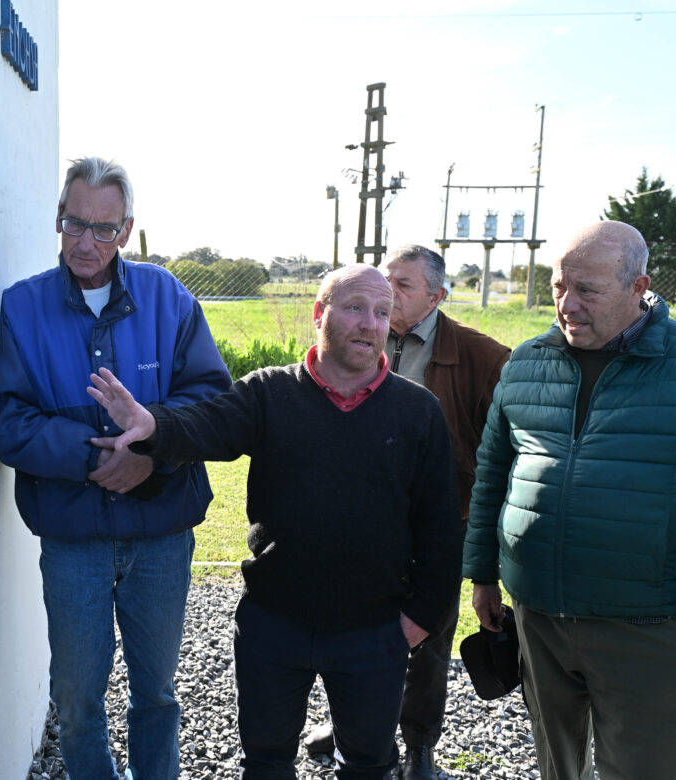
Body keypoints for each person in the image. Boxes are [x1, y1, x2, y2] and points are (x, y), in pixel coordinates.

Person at [88, 264, 462, 779]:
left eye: (382, 312)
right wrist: (155, 425)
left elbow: (442, 529)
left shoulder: (418, 411)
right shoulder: (269, 393)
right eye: (354, 307)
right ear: (319, 314)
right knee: (265, 762)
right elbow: (210, 425)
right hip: (274, 622)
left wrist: (415, 623)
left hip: (374, 629)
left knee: (369, 765)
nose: (370, 325)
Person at [464, 220, 676, 780]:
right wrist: (484, 575)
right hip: (541, 619)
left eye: (588, 290)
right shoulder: (528, 361)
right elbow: (493, 477)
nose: (568, 305)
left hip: (651, 625)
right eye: (558, 287)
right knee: (559, 767)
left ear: (638, 286)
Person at [0, 157, 231, 780]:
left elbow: (212, 400)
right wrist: (94, 459)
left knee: (156, 694)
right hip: (73, 541)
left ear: (127, 230)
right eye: (74, 224)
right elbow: (10, 421)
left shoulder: (168, 298)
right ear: (58, 218)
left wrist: (147, 452)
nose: (86, 242)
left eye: (103, 229)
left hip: (161, 537)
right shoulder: (21, 309)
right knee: (76, 702)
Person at [303, 245, 509, 779]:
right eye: (384, 278)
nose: (386, 294)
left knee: (428, 639)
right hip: (360, 521)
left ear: (437, 297)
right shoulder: (357, 334)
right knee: (352, 624)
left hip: (438, 522)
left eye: (404, 285)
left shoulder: (480, 356)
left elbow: (505, 446)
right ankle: (350, 725)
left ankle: (418, 742)